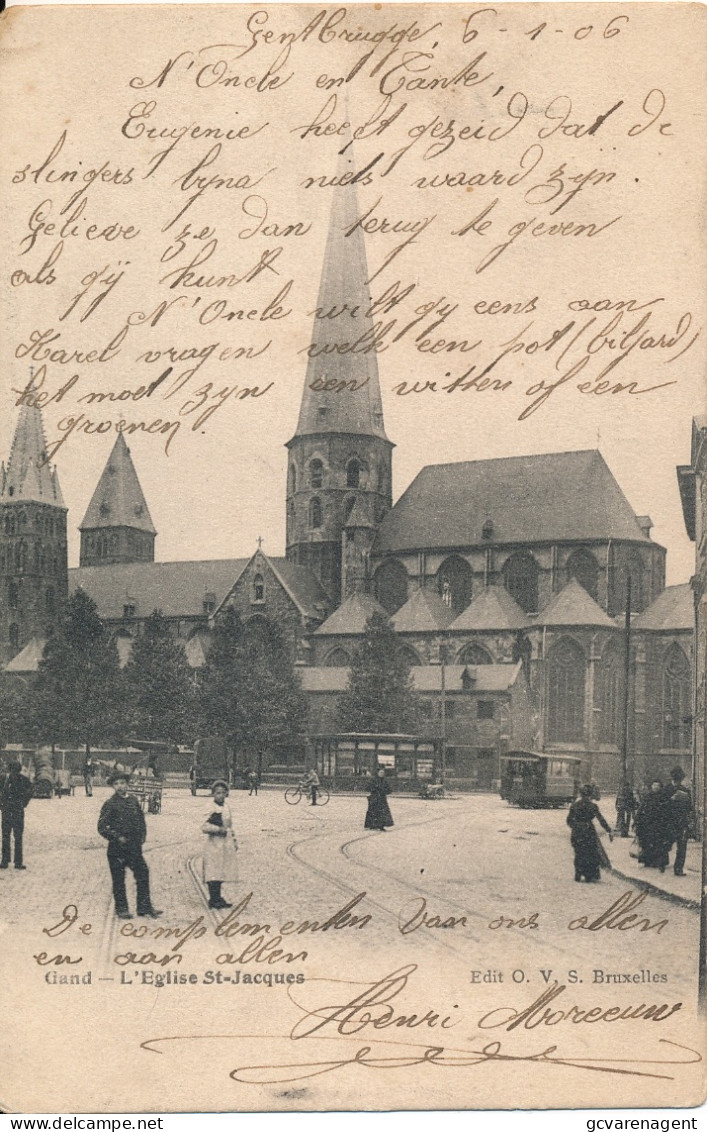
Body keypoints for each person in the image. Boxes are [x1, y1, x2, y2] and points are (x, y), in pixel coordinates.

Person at [97, 771, 162, 919]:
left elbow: (140, 820)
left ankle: (144, 907)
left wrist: (142, 835)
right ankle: (122, 909)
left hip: (133, 847)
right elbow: (101, 827)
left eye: (122, 783)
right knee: (119, 879)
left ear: (127, 785)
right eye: (116, 784)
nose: (120, 786)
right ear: (113, 786)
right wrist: (116, 837)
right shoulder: (110, 804)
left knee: (143, 873)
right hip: (117, 849)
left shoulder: (133, 801)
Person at [202, 780, 238, 909]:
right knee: (213, 871)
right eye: (218, 793)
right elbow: (204, 826)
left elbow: (230, 825)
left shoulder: (227, 807)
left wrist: (234, 839)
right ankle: (213, 898)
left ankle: (218, 897)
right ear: (213, 794)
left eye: (223, 793)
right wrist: (218, 829)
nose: (221, 795)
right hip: (214, 843)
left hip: (225, 843)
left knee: (222, 870)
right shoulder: (210, 807)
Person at [566, 784, 613, 882]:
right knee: (590, 853)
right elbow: (601, 819)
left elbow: (569, 820)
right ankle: (589, 874)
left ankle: (578, 873)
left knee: (579, 852)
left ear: (581, 794)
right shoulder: (593, 806)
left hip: (577, 832)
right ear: (590, 795)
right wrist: (609, 830)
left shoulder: (575, 805)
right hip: (589, 831)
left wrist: (576, 826)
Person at [0, 761, 33, 870]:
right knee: (17, 837)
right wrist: (23, 803)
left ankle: (5, 861)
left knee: (6, 836)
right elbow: (30, 791)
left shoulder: (4, 779)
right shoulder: (23, 779)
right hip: (17, 811)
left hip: (8, 810)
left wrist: (2, 804)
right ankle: (17, 862)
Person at [635, 780, 672, 871]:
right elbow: (641, 808)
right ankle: (647, 861)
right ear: (651, 786)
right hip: (647, 823)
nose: (655, 787)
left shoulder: (663, 797)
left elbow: (667, 811)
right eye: (654, 785)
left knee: (658, 843)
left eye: (657, 785)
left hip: (659, 824)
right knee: (647, 842)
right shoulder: (647, 796)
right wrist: (637, 820)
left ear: (660, 787)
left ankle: (657, 862)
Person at [666, 766, 693, 877]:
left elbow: (689, 808)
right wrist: (670, 800)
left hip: (681, 823)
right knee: (665, 845)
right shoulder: (666, 790)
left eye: (679, 780)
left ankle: (678, 869)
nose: (677, 782)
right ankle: (658, 862)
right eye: (675, 780)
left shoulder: (685, 791)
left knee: (682, 847)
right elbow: (659, 807)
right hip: (668, 823)